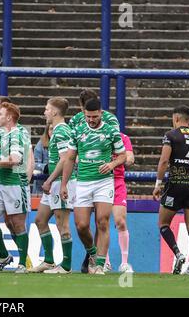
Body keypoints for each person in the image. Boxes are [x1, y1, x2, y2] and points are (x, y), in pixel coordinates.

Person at [60, 98, 126, 275]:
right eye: (88, 116)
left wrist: (112, 165)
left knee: (102, 222)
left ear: (101, 113)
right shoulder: (77, 131)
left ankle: (100, 265)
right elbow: (70, 158)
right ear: (84, 114)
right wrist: (64, 184)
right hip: (83, 182)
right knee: (81, 225)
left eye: (94, 116)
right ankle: (93, 254)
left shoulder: (111, 131)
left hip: (104, 182)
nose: (91, 120)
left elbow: (123, 155)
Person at [152, 105, 189, 275]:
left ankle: (178, 253)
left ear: (176, 118)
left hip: (175, 184)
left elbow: (164, 161)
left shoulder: (171, 135)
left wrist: (158, 183)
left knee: (163, 223)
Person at [30, 97, 76, 274]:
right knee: (40, 220)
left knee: (62, 224)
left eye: (47, 109)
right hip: (55, 183)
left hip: (61, 183)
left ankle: (66, 265)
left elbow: (65, 159)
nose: (44, 112)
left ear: (55, 112)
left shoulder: (62, 131)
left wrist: (51, 181)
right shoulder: (56, 130)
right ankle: (49, 261)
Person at [0, 102, 32, 274]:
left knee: (17, 224)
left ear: (9, 118)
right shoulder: (5, 134)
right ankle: (4, 256)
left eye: (1, 114)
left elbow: (15, 160)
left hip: (15, 185)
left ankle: (22, 263)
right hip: (1, 184)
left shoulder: (17, 135)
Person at [104, 132, 135, 273]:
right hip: (101, 182)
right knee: (102, 223)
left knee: (120, 221)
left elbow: (130, 158)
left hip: (117, 181)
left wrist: (123, 158)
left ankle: (124, 263)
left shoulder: (123, 138)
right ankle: (104, 261)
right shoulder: (97, 137)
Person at [32, 123, 52, 195]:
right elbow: (34, 164)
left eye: (54, 129)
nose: (52, 131)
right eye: (50, 129)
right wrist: (45, 167)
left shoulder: (63, 144)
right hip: (41, 186)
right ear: (47, 131)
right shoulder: (41, 144)